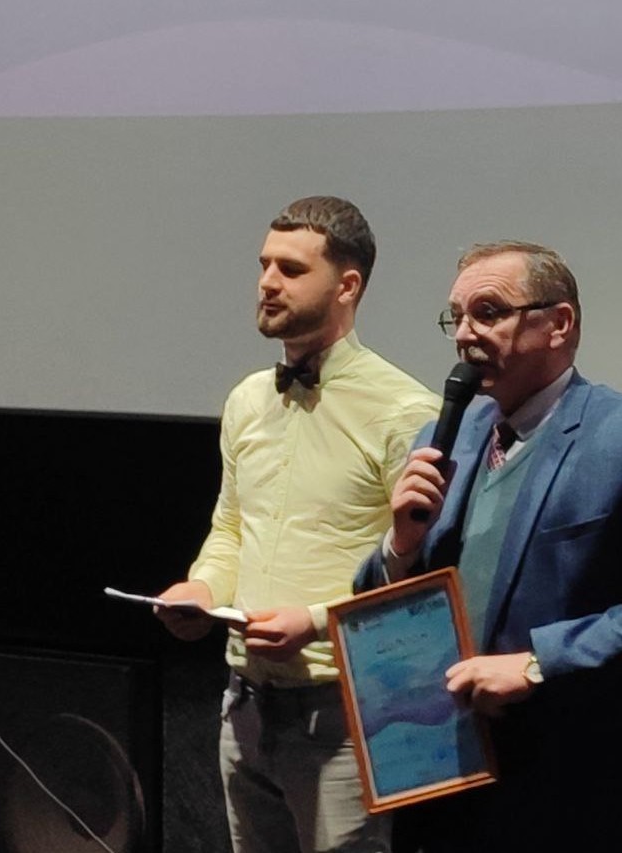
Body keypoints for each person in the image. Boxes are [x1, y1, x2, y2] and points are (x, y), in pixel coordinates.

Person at [354, 240, 622, 853]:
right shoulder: (445, 438)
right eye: (457, 317)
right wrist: (400, 546)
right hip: (446, 788)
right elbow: (381, 608)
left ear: (559, 323)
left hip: (581, 797)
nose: (465, 335)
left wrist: (536, 664)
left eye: (488, 312)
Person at [156, 196, 441, 853]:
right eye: (264, 265)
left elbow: (425, 576)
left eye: (290, 269)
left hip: (345, 712)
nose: (267, 282)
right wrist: (203, 588)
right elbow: (232, 526)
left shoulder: (403, 410)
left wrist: (313, 620)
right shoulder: (248, 398)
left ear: (347, 285)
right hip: (245, 703)